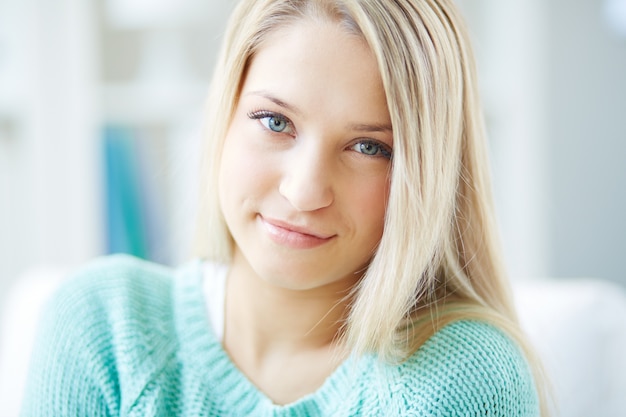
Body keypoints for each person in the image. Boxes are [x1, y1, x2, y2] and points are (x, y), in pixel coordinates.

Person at [22, 0, 548, 415]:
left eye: (369, 147)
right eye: (275, 122)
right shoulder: (103, 328)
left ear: (426, 178)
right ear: (224, 113)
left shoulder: (460, 377)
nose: (304, 191)